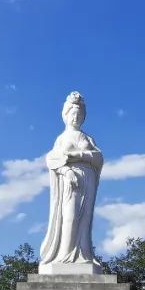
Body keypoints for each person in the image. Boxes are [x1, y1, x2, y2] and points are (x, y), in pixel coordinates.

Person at [39, 92, 104, 271]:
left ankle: (83, 255)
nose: (76, 117)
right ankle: (64, 256)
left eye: (79, 114)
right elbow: (52, 160)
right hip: (70, 180)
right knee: (70, 216)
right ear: (66, 115)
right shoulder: (62, 138)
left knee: (85, 218)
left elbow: (99, 157)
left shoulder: (87, 138)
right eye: (73, 114)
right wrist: (67, 171)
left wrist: (78, 155)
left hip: (87, 179)